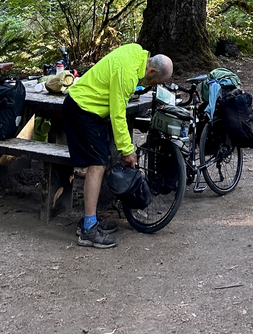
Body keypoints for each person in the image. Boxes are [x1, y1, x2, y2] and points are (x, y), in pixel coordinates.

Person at [63, 45, 174, 248]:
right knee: (97, 164)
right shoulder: (128, 74)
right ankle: (88, 230)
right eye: (155, 82)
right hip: (82, 109)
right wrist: (127, 149)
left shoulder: (135, 51)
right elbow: (118, 114)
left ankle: (89, 220)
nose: (152, 86)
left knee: (100, 161)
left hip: (89, 108)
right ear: (151, 71)